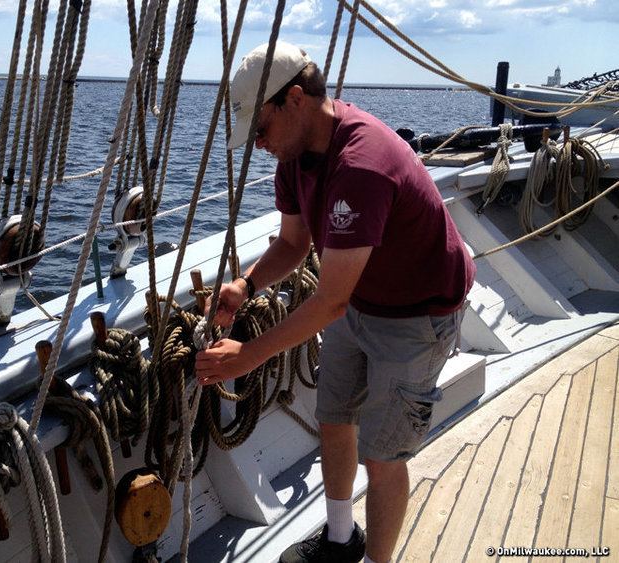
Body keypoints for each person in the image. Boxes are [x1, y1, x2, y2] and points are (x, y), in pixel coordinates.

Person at [195, 41, 475, 563]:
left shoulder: (361, 165)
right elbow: (293, 245)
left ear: (295, 100)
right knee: (334, 416)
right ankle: (342, 539)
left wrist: (249, 355)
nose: (258, 144)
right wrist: (245, 286)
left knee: (383, 454)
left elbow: (328, 303)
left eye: (259, 130)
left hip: (418, 316)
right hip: (360, 300)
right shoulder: (294, 153)